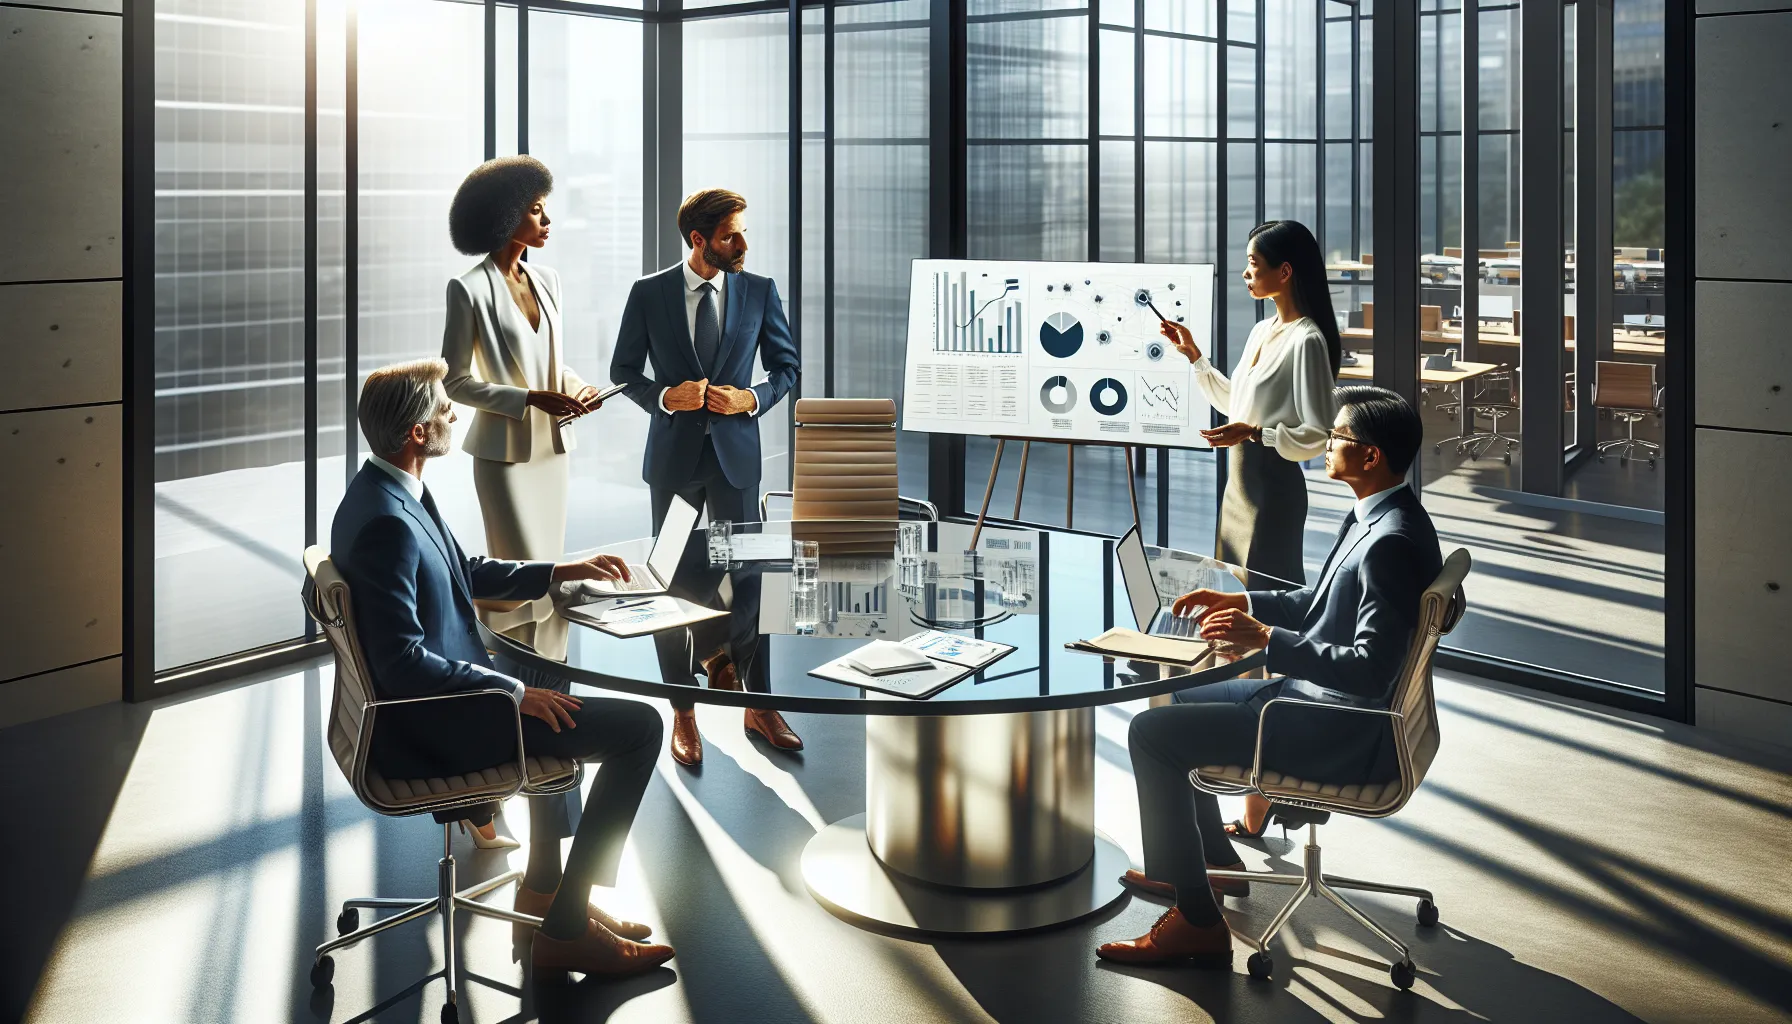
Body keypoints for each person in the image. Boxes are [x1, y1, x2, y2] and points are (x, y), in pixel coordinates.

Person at [331, 359, 674, 978]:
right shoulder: (387, 523)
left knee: (554, 676)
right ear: (416, 432)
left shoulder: (388, 492)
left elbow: (466, 572)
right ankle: (567, 927)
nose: (453, 414)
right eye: (443, 408)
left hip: (447, 699)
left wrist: (559, 570)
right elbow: (402, 661)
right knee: (640, 729)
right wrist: (510, 692)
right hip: (439, 724)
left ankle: (548, 889)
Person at [1096, 386, 1441, 969]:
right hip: (1311, 705)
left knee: (1151, 736)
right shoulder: (1381, 517)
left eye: (1338, 437)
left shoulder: (1390, 544)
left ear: (1372, 456)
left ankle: (1196, 921)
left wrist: (1265, 643)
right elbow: (1319, 603)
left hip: (1331, 726)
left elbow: (1369, 668)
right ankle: (1206, 869)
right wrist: (1240, 599)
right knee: (1172, 685)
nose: (1327, 443)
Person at [609, 188, 802, 767]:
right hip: (673, 463)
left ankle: (758, 702)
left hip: (739, 460)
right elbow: (623, 370)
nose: (741, 244)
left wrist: (752, 398)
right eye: (729, 236)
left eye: (741, 233)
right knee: (671, 582)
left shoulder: (760, 291)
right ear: (699, 240)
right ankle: (684, 711)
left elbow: (786, 368)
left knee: (755, 579)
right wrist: (665, 396)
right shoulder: (649, 294)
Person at [442, 156, 598, 849]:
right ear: (507, 216)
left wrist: (577, 387)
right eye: (536, 209)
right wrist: (529, 399)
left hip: (551, 456)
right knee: (518, 609)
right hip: (505, 460)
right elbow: (456, 381)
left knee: (551, 609)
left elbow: (550, 362)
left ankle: (529, 770)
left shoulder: (550, 280)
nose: (546, 219)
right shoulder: (468, 288)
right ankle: (498, 781)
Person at [1161, 219, 1343, 590]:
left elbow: (1319, 434)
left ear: (1285, 271)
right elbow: (1238, 403)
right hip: (1239, 488)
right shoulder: (1262, 329)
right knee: (1231, 591)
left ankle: (1271, 650)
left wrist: (1256, 434)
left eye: (1253, 263)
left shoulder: (1307, 340)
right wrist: (1195, 357)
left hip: (1273, 491)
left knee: (1262, 597)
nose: (1245, 273)